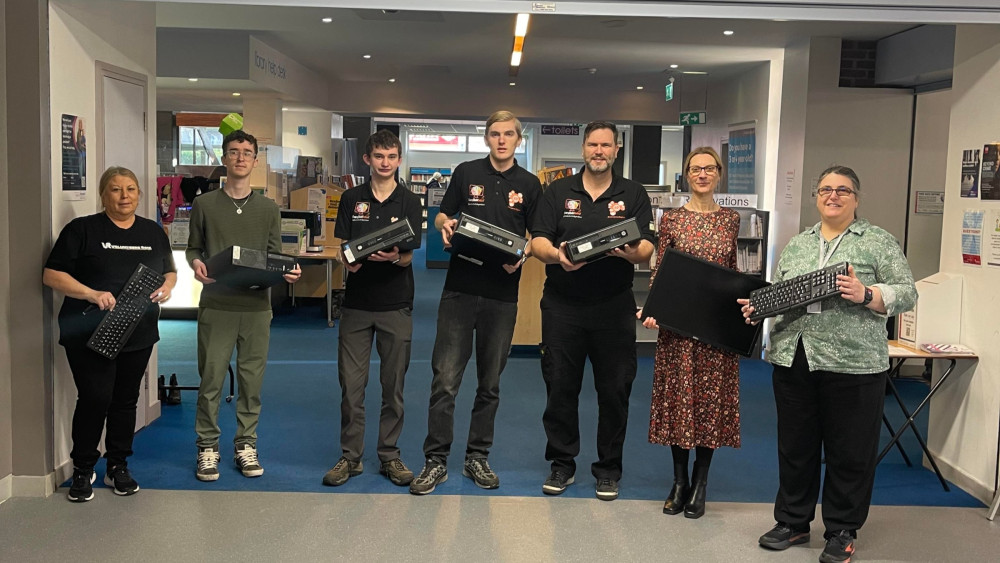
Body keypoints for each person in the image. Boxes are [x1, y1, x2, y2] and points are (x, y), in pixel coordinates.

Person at [739, 165, 916, 563]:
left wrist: (867, 292)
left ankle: (841, 530)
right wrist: (759, 305)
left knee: (849, 450)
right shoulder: (798, 244)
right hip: (795, 356)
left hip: (852, 362)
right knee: (795, 446)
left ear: (856, 198)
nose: (832, 196)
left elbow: (907, 292)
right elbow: (782, 290)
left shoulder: (877, 242)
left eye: (842, 190)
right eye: (824, 190)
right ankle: (793, 521)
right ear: (815, 196)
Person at [410, 110, 542, 495]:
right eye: (495, 134)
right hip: (459, 289)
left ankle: (476, 458)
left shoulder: (530, 184)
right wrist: (445, 225)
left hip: (502, 294)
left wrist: (527, 252)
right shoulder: (466, 172)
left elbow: (538, 235)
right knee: (445, 380)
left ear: (519, 140)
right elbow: (442, 217)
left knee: (490, 383)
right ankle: (436, 460)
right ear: (487, 138)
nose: (502, 140)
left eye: (509, 135)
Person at [530, 121, 655, 501]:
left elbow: (647, 245)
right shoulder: (557, 191)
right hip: (562, 306)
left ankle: (608, 469)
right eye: (592, 145)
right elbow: (537, 241)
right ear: (583, 149)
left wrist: (632, 252)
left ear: (617, 150)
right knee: (560, 387)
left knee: (615, 390)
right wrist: (558, 257)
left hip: (613, 307)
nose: (599, 151)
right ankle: (562, 463)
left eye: (606, 145)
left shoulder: (633, 193)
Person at [44, 166, 177, 501]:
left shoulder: (152, 232)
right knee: (95, 398)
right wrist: (90, 293)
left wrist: (168, 287)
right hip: (90, 329)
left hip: (138, 330)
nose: (124, 197)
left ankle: (118, 465)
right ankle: (83, 468)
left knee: (124, 400)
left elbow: (169, 271)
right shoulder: (82, 230)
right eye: (116, 190)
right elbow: (51, 275)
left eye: (131, 189)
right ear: (103, 194)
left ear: (139, 194)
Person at [186, 129, 301, 482]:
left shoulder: (268, 209)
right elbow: (193, 248)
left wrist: (288, 270)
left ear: (254, 160)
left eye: (247, 152)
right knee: (211, 381)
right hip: (217, 305)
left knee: (251, 383)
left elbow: (272, 254)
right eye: (233, 151)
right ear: (224, 158)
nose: (240, 157)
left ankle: (246, 444)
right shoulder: (205, 204)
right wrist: (195, 264)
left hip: (255, 308)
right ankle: (207, 447)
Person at [639, 147, 740, 519]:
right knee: (679, 403)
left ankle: (700, 482)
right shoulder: (671, 220)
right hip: (679, 330)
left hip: (713, 329)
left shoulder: (731, 220)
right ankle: (679, 481)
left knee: (709, 405)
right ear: (685, 175)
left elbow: (731, 273)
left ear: (718, 174)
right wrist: (655, 311)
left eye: (708, 168)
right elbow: (660, 271)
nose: (702, 174)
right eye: (695, 169)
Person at [322, 129, 423, 488]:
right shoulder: (351, 198)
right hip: (357, 305)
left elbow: (410, 251)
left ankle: (389, 455)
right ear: (368, 159)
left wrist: (396, 257)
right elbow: (343, 246)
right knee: (351, 386)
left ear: (398, 160)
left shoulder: (410, 201)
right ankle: (350, 457)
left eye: (391, 157)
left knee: (393, 385)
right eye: (379, 156)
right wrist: (346, 261)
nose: (385, 163)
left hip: (396, 304)